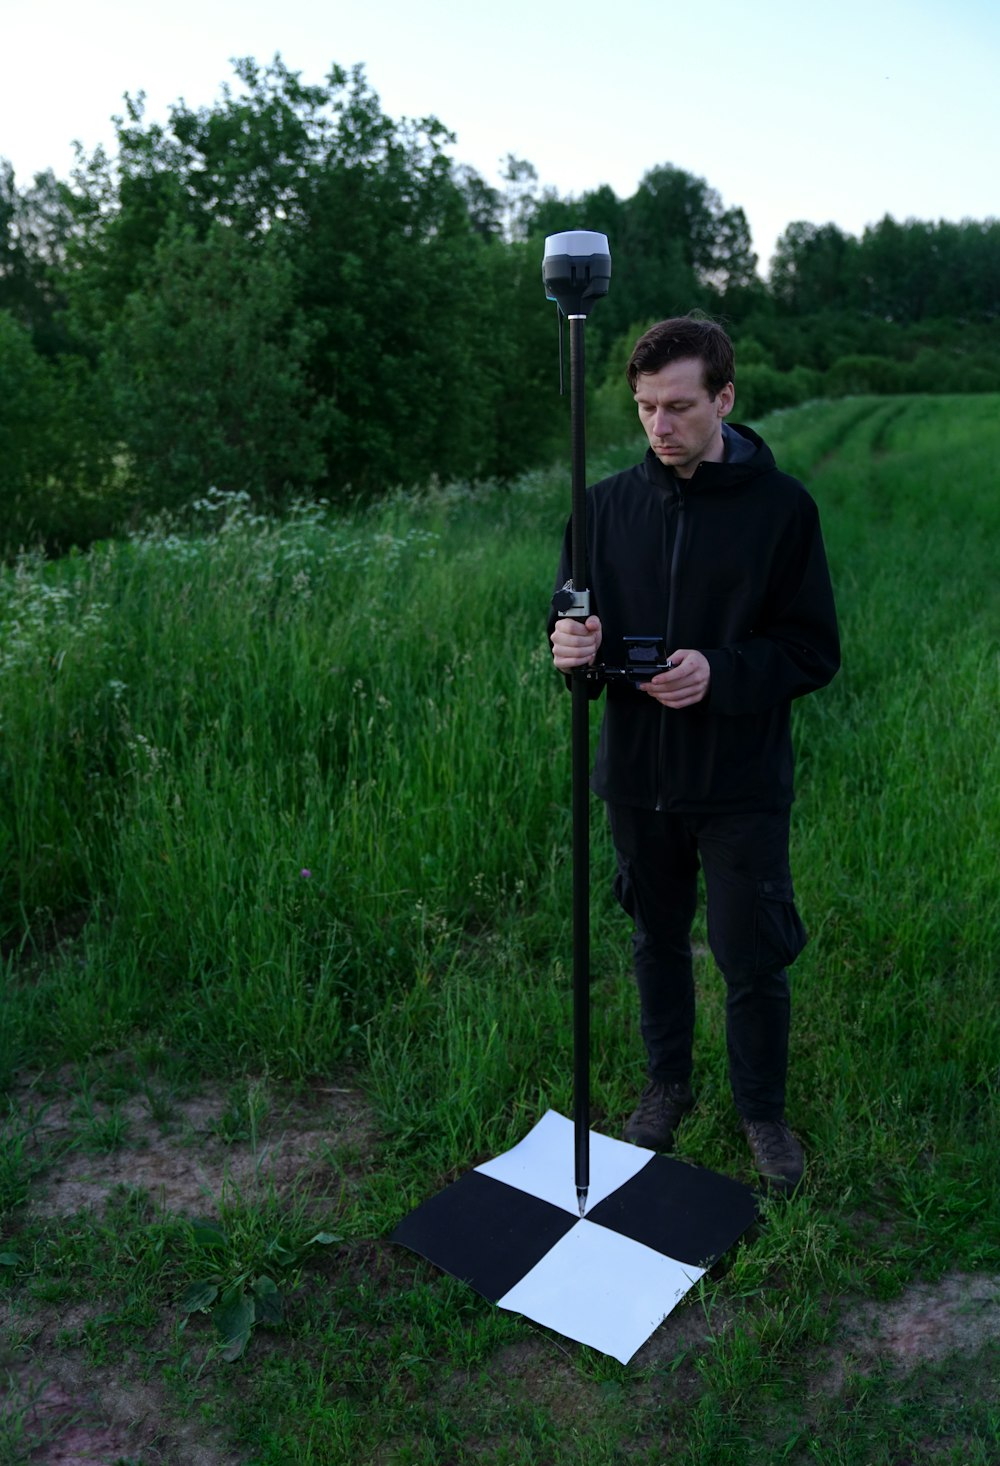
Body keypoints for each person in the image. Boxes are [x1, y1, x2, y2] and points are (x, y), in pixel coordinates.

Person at [548, 316, 840, 1193]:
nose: (659, 426)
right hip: (638, 774)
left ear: (725, 398)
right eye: (645, 408)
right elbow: (570, 627)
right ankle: (666, 1085)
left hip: (740, 779)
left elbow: (812, 650)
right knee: (655, 938)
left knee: (751, 953)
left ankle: (762, 1114)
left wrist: (720, 670)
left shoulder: (782, 511)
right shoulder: (601, 507)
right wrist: (569, 650)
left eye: (679, 406)